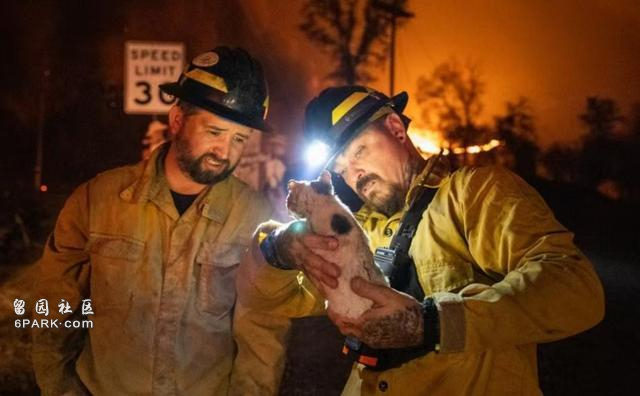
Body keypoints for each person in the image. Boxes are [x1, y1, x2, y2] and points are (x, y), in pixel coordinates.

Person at [232, 85, 605, 395]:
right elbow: (266, 299)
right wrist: (279, 248)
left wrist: (432, 324)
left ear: (396, 128)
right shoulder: (356, 232)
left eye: (359, 151)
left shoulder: (473, 195)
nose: (355, 175)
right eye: (341, 168)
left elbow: (575, 289)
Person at [31, 46, 273, 395]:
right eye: (215, 132)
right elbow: (54, 309)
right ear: (177, 120)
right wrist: (60, 389)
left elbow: (262, 331)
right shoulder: (97, 201)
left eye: (239, 139)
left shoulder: (254, 217)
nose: (225, 152)